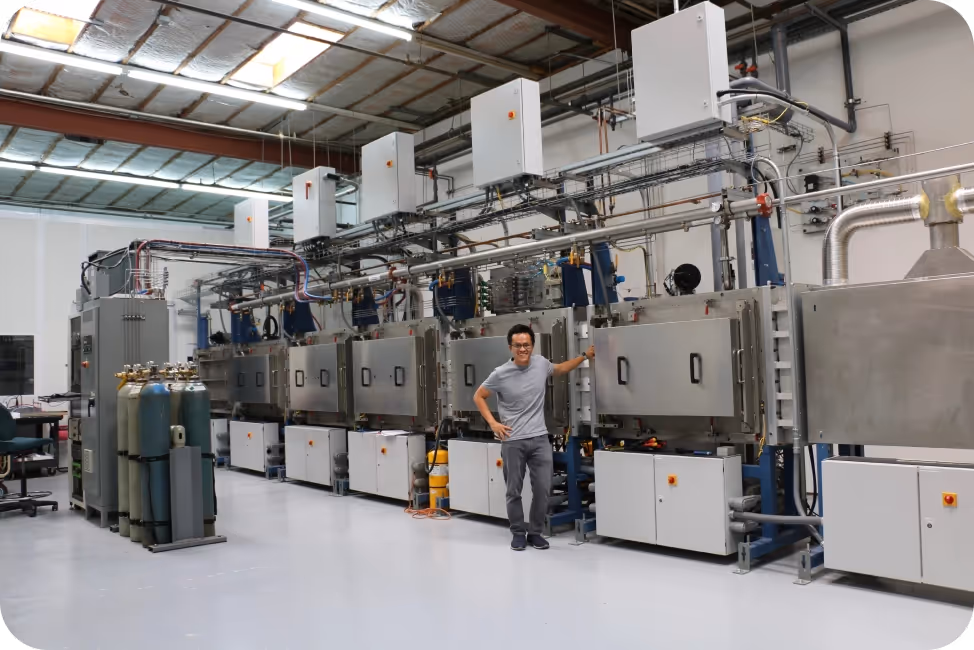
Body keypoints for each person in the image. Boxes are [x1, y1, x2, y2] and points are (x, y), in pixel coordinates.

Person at [473, 324, 595, 551]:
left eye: (526, 345)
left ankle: (535, 532)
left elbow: (559, 369)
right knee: (513, 490)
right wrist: (493, 422)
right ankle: (518, 533)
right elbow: (479, 396)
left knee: (543, 488)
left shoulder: (540, 364)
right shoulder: (500, 373)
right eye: (518, 345)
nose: (522, 349)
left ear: (532, 345)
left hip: (539, 438)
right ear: (510, 347)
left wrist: (584, 356)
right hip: (513, 440)